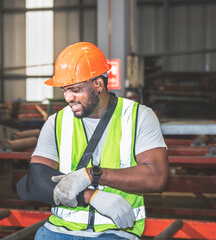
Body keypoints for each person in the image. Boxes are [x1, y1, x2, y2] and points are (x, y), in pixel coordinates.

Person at [17, 42, 168, 240]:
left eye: (75, 89)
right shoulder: (57, 122)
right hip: (59, 230)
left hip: (116, 231)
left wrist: (92, 175)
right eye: (64, 90)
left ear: (98, 84)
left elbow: (156, 178)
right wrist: (91, 196)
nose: (68, 97)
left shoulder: (139, 116)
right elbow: (36, 180)